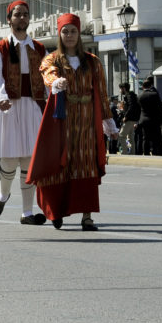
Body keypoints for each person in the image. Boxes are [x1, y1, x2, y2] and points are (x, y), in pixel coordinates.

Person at [28, 13, 118, 231]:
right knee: (61, 163)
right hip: (63, 120)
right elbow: (47, 73)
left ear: (79, 34)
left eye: (73, 31)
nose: (69, 35)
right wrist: (55, 81)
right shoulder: (53, 59)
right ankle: (56, 211)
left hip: (87, 120)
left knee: (86, 164)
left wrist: (109, 123)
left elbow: (103, 94)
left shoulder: (93, 62)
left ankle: (87, 216)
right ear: (59, 34)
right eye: (65, 31)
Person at [0, 0, 48, 225]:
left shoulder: (39, 48)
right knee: (9, 158)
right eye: (17, 14)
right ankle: (2, 196)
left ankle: (27, 212)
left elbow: (46, 75)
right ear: (9, 19)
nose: (22, 18)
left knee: (29, 159)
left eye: (25, 14)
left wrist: (53, 90)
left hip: (31, 106)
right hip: (9, 105)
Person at [136, 78, 162, 156]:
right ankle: (155, 152)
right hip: (154, 120)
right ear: (151, 86)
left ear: (143, 87)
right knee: (156, 138)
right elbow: (160, 108)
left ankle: (146, 153)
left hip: (144, 120)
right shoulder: (155, 94)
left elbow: (138, 109)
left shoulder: (139, 96)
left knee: (145, 138)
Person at [118, 83, 141, 155]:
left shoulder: (129, 96)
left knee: (121, 135)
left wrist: (126, 116)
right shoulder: (131, 95)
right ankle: (132, 153)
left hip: (129, 119)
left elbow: (131, 106)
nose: (120, 90)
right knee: (131, 137)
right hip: (133, 119)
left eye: (120, 88)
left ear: (124, 88)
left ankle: (124, 152)